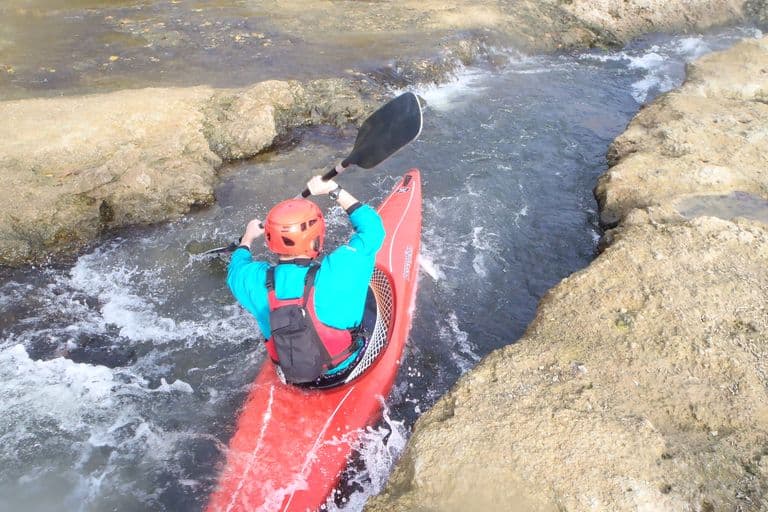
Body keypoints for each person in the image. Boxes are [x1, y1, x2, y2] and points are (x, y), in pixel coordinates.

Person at [227, 175, 385, 385]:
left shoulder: (251, 279)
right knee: (367, 294)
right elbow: (373, 230)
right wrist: (333, 189)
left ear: (270, 241)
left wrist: (247, 238)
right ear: (316, 239)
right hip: (348, 366)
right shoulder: (340, 266)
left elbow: (236, 266)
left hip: (291, 375)